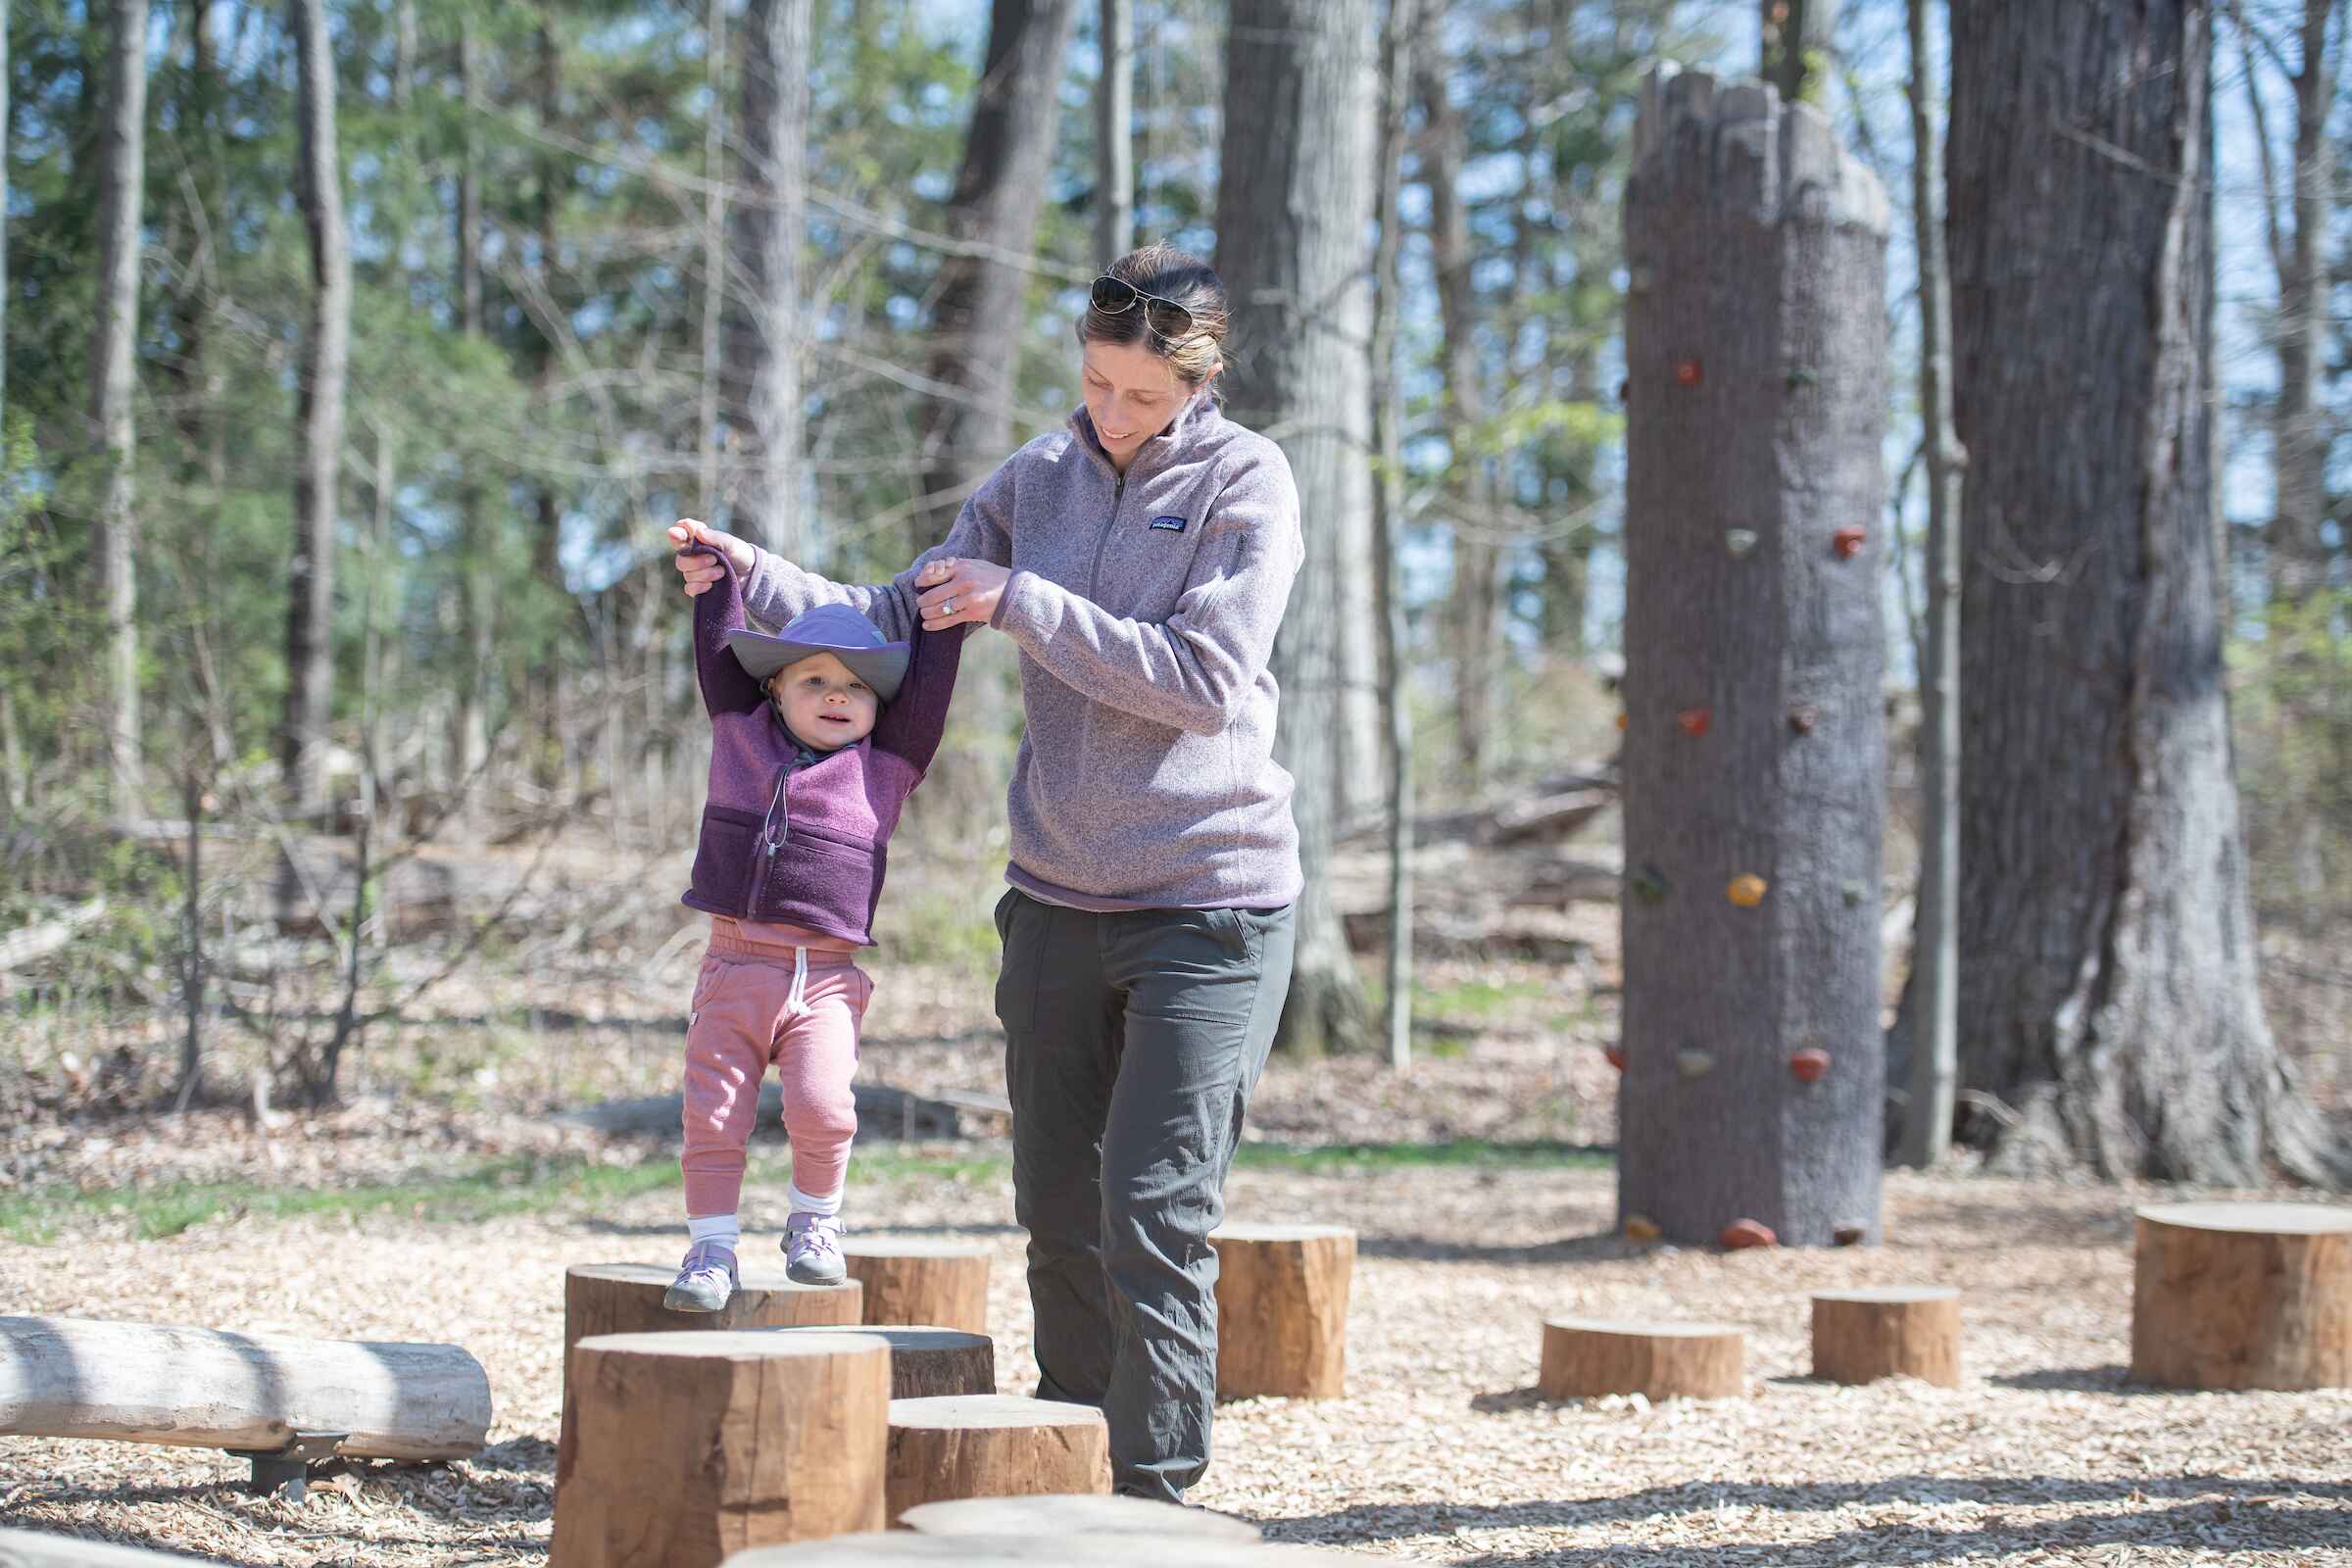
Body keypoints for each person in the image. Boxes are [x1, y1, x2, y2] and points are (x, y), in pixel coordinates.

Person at [667, 244, 1300, 1502]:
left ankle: (1156, 1498)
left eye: (1142, 397)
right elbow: (903, 610)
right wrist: (749, 576)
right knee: (1060, 1211)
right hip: (1056, 897)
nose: (1111, 415)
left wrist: (1023, 602)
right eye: (1097, 383)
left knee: (1156, 1212)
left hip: (1211, 904)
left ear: (1200, 382)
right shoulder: (1040, 476)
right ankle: (1069, 1468)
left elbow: (1201, 682)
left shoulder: (1247, 480)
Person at [662, 541, 966, 1311]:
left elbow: (927, 693)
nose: (838, 695)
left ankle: (814, 1224)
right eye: (816, 680)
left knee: (825, 1106)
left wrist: (942, 620)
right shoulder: (740, 737)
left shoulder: (885, 767)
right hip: (737, 967)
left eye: (858, 687)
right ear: (774, 690)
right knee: (715, 1115)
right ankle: (711, 1249)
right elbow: (716, 654)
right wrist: (715, 579)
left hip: (826, 980)